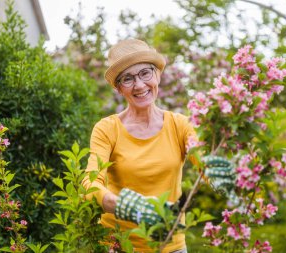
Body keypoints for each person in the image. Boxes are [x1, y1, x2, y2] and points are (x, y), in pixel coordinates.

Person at [82, 39, 235, 253]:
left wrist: (218, 174)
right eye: (127, 79)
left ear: (157, 75)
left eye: (145, 73)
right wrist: (122, 205)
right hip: (119, 245)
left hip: (169, 244)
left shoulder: (180, 124)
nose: (139, 85)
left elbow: (201, 160)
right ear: (118, 88)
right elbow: (90, 183)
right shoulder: (107, 129)